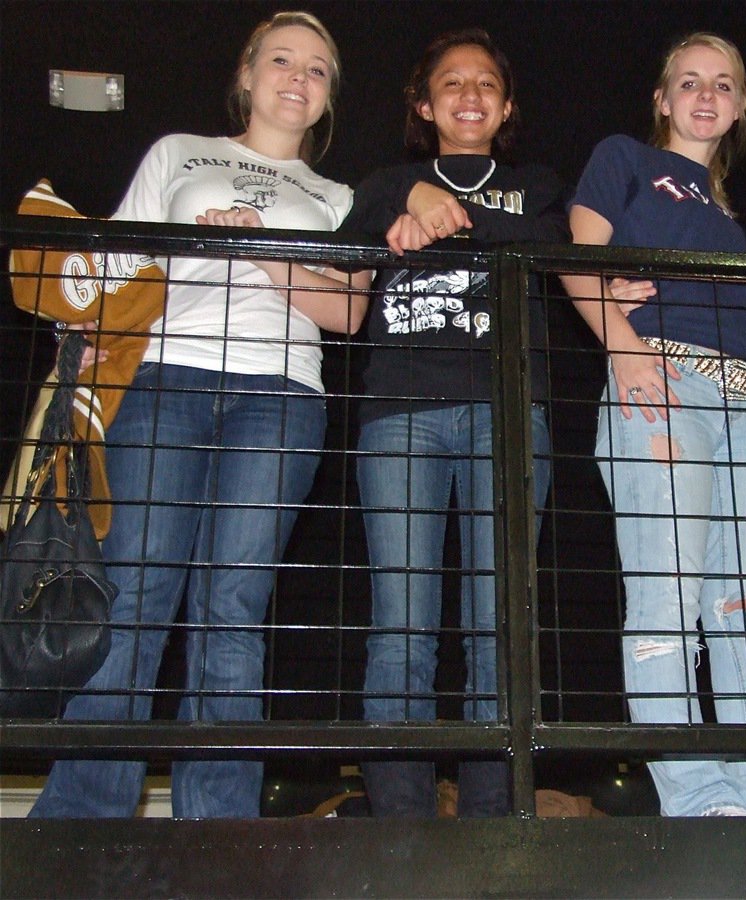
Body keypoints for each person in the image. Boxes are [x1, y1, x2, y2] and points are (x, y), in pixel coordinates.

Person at [30, 10, 369, 819]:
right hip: (163, 378)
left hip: (280, 394)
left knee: (233, 612)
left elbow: (351, 311)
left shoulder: (337, 194)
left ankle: (219, 825)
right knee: (136, 595)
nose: (298, 77)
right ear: (247, 76)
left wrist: (255, 248)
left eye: (317, 69)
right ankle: (82, 817)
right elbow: (112, 260)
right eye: (283, 60)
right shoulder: (179, 154)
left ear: (326, 100)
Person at [562, 33, 746, 817]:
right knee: (666, 595)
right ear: (662, 99)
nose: (706, 95)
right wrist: (622, 345)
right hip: (663, 376)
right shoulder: (626, 156)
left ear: (738, 108)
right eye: (689, 82)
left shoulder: (731, 212)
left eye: (723, 85)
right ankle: (699, 797)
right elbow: (576, 253)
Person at [339, 28, 566, 818]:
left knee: (497, 626)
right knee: (402, 621)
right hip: (401, 411)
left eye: (485, 85)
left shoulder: (536, 184)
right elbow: (345, 246)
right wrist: (409, 199)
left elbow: (552, 244)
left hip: (508, 412)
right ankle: (399, 824)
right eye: (451, 83)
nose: (469, 95)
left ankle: (491, 824)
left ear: (505, 107)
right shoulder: (384, 183)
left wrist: (446, 214)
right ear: (424, 104)